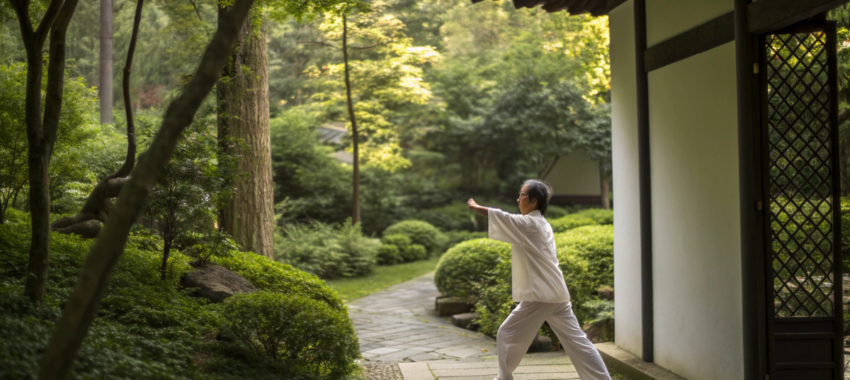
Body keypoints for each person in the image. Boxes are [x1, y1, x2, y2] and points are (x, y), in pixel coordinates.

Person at [466, 179, 611, 380]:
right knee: (579, 342)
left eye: (522, 195)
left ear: (534, 201)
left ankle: (503, 378)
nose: (518, 199)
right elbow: (507, 218)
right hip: (556, 293)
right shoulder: (540, 223)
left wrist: (475, 207)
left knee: (506, 333)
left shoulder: (529, 224)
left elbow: (502, 216)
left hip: (541, 294)